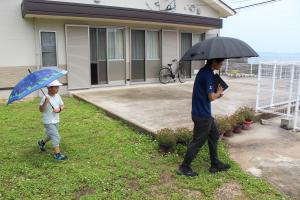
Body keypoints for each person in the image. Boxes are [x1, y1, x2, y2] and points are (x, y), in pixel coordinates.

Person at [178, 58, 230, 176]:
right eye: (220, 63)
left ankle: (215, 164)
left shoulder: (205, 71)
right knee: (198, 141)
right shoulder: (207, 75)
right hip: (202, 115)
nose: (221, 65)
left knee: (214, 135)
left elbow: (208, 96)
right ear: (214, 62)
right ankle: (184, 167)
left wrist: (217, 94)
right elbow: (211, 97)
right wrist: (218, 93)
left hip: (203, 113)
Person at [37, 80, 67, 160]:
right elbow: (41, 110)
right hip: (48, 121)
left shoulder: (58, 96)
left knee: (51, 135)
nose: (58, 89)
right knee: (56, 136)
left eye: (58, 87)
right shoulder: (45, 97)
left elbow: (62, 105)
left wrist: (59, 109)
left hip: (56, 120)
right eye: (56, 87)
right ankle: (57, 154)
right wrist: (46, 102)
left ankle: (42, 142)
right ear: (49, 88)